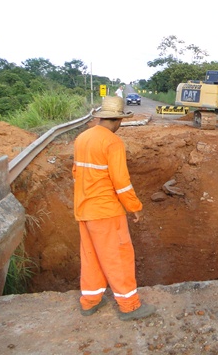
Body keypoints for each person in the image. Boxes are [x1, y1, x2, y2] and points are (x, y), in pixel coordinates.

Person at [72, 96, 155, 321]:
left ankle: (90, 302)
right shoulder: (112, 142)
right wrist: (134, 207)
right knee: (118, 256)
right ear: (117, 120)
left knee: (92, 256)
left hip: (84, 209)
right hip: (106, 211)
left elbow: (77, 173)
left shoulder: (82, 138)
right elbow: (121, 181)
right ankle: (129, 306)